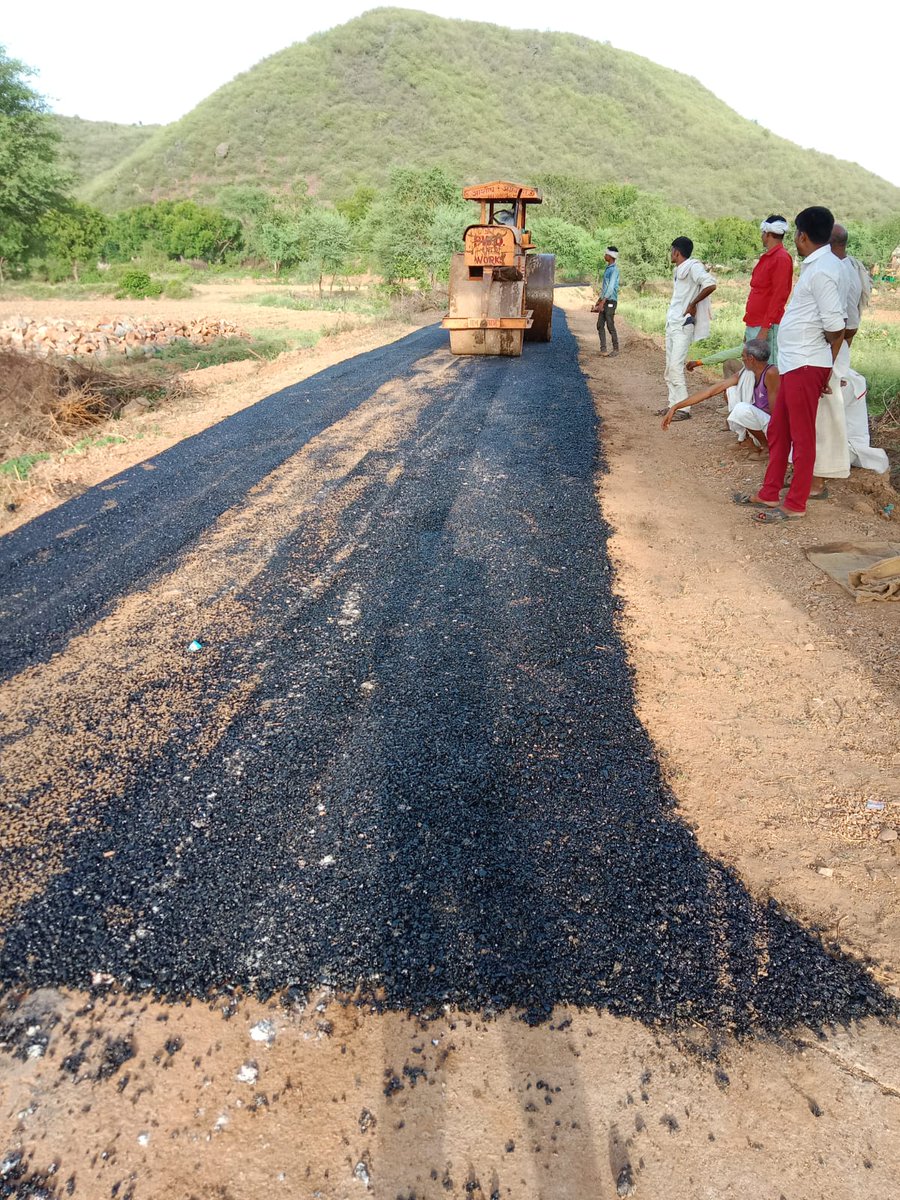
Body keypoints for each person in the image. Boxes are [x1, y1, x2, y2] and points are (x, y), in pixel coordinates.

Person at [735, 207, 845, 522]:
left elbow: (836, 325)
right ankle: (770, 493)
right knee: (781, 430)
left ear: (803, 236)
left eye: (796, 234)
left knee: (802, 434)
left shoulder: (823, 270)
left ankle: (795, 503)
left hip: (808, 364)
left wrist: (824, 362)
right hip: (795, 363)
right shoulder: (816, 265)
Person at [687, 216, 794, 372]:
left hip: (765, 327)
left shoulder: (781, 258)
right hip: (755, 324)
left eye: (762, 232)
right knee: (753, 371)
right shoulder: (768, 257)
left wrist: (764, 330)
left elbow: (779, 297)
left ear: (767, 233)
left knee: (766, 372)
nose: (761, 236)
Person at [661, 338, 778, 452]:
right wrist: (676, 407)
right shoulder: (746, 373)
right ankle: (750, 440)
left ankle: (768, 448)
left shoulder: (771, 373)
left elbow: (776, 413)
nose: (742, 359)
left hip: (774, 428)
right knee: (731, 391)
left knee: (741, 409)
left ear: (751, 358)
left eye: (743, 356)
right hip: (762, 423)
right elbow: (710, 391)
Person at [664, 237, 716, 410]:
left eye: (671, 250)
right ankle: (673, 405)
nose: (670, 254)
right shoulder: (679, 270)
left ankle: (683, 408)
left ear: (676, 252)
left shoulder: (693, 266)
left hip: (683, 324)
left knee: (675, 367)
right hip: (673, 323)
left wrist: (692, 304)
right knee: (669, 369)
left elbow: (710, 284)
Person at [596, 246, 620, 356]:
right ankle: (603, 349)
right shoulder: (608, 268)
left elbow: (610, 288)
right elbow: (605, 287)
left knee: (610, 324)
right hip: (605, 300)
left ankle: (616, 349)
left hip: (610, 301)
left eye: (606, 254)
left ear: (610, 256)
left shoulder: (614, 270)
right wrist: (599, 300)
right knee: (600, 325)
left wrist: (603, 301)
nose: (604, 256)